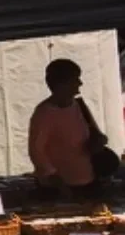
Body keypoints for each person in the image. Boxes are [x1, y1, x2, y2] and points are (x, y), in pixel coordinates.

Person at [29, 58, 101, 196]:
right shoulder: (44, 113)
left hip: (88, 181)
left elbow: (94, 134)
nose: (80, 83)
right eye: (76, 79)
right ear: (62, 84)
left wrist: (98, 142)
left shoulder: (79, 105)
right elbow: (36, 151)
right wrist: (54, 178)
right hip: (59, 188)